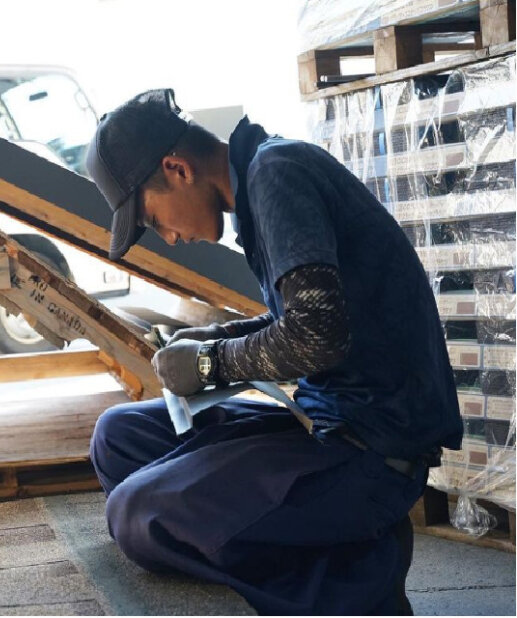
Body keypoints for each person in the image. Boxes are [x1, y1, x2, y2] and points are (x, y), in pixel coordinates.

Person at [84, 89, 463, 615]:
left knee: (134, 513)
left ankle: (353, 572)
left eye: (152, 220)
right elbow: (307, 317)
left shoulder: (277, 175)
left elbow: (316, 334)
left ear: (176, 169)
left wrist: (209, 364)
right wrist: (213, 339)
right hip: (323, 420)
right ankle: (275, 525)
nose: (167, 237)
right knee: (118, 438)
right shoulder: (262, 179)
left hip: (369, 455)